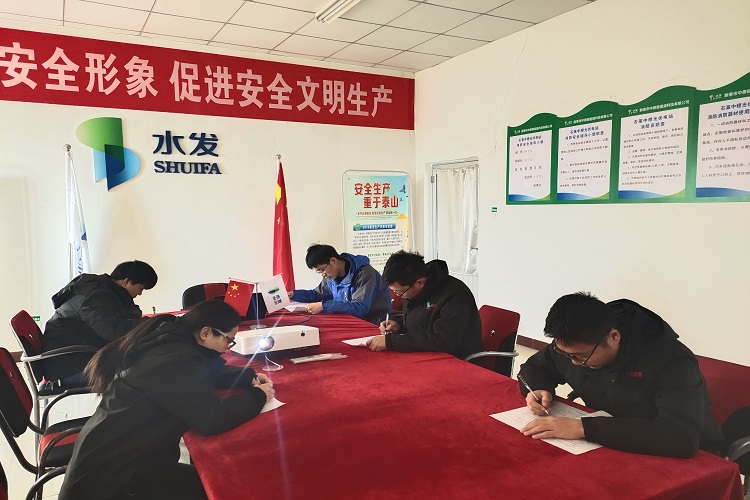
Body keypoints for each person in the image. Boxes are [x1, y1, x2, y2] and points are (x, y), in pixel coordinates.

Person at [58, 300, 274, 500]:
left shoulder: (172, 341)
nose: (229, 347)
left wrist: (247, 376)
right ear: (206, 332)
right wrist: (258, 396)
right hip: (115, 483)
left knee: (211, 481)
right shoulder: (175, 358)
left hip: (122, 463)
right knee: (219, 487)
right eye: (229, 340)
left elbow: (201, 373)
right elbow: (213, 419)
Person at [517, 292, 723, 458]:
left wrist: (583, 428)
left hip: (676, 455)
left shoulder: (672, 361)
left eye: (582, 357)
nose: (574, 362)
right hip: (610, 442)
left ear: (614, 336)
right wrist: (539, 388)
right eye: (567, 354)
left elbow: (680, 437)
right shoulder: (576, 343)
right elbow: (535, 368)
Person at [42, 260, 158, 384]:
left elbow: (126, 322)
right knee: (146, 371)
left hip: (81, 360)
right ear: (126, 281)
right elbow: (114, 332)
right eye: (141, 288)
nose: (140, 293)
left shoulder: (108, 293)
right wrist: (151, 324)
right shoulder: (96, 296)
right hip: (70, 367)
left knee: (150, 365)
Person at [366, 251, 482, 359]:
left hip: (454, 359)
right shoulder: (413, 289)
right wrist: (399, 325)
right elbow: (420, 319)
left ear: (419, 283)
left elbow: (442, 340)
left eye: (400, 292)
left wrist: (391, 342)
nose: (398, 295)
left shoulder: (455, 295)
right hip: (424, 353)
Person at [289, 244, 390, 324]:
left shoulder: (365, 273)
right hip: (349, 320)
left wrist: (324, 306)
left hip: (373, 323)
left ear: (333, 261)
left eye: (322, 270)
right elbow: (318, 294)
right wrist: (293, 294)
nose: (323, 274)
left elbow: (360, 308)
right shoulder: (331, 276)